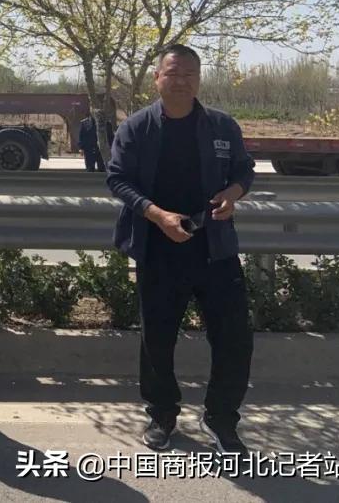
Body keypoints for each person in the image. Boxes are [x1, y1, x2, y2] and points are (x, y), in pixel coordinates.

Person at [106, 43, 255, 455]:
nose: (181, 81)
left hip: (215, 248)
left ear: (199, 80)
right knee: (157, 340)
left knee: (234, 338)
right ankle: (162, 414)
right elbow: (117, 178)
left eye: (189, 74)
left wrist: (233, 194)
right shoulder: (136, 127)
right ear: (157, 78)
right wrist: (156, 215)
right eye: (172, 73)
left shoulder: (222, 125)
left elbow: (244, 169)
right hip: (159, 249)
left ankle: (221, 418)